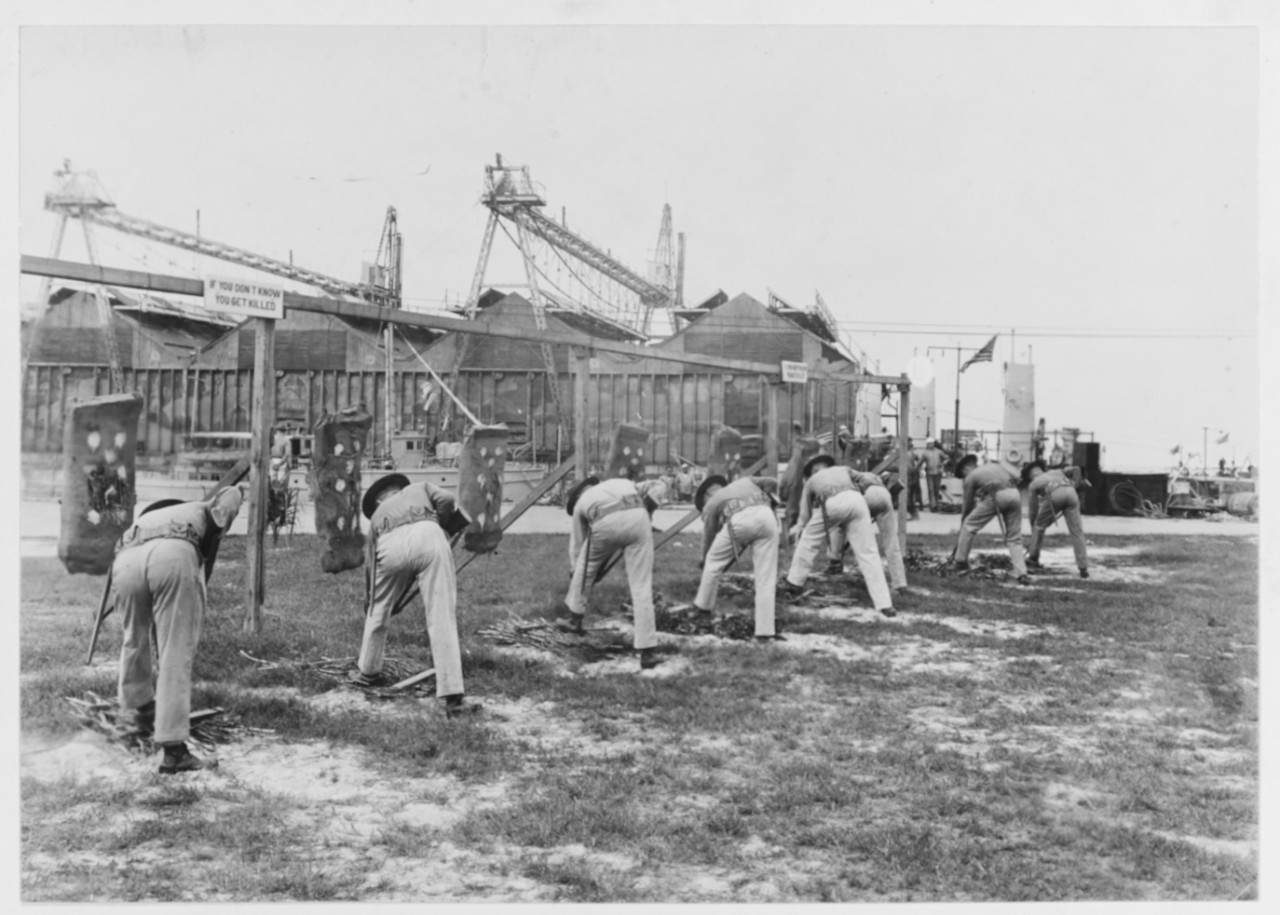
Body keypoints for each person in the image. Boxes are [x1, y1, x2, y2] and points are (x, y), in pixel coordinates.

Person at [113, 485, 245, 774]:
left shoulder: (153, 518)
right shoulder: (204, 508)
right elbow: (233, 493)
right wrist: (223, 516)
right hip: (172, 553)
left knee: (133, 640)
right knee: (175, 650)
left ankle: (138, 716)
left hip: (125, 558)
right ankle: (174, 752)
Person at [352, 473, 477, 718]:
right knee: (441, 615)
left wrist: (378, 598)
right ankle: (453, 698)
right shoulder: (420, 488)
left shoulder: (376, 517)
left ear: (377, 501)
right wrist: (441, 524)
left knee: (377, 613)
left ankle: (367, 672)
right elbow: (448, 499)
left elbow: (370, 566)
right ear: (400, 488)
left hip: (388, 543)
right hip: (428, 533)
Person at [555, 475, 662, 669]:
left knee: (583, 568)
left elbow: (577, 547)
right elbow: (659, 485)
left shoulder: (581, 504)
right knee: (641, 586)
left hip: (604, 523)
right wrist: (650, 507)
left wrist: (575, 570)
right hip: (639, 519)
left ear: (577, 495)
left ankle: (575, 618)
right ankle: (648, 652)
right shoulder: (622, 482)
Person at [781, 454, 896, 618]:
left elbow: (804, 514)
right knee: (868, 553)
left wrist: (799, 529)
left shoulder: (811, 481)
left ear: (813, 470)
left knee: (808, 540)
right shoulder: (843, 469)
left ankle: (794, 582)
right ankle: (885, 605)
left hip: (832, 501)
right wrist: (868, 485)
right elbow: (868, 478)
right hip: (857, 501)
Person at [692, 472, 781, 640]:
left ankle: (703, 608)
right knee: (766, 578)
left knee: (713, 563)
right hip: (768, 517)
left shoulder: (712, 502)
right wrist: (771, 501)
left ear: (707, 494)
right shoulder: (745, 480)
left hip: (740, 518)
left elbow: (709, 534)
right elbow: (772, 481)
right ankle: (765, 631)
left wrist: (705, 559)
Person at [828, 468, 909, 595]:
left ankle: (834, 563)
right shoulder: (878, 479)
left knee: (838, 526)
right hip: (884, 497)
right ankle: (900, 584)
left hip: (866, 494)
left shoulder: (856, 476)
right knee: (891, 542)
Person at [951, 454, 1028, 583]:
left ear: (966, 468)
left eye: (963, 474)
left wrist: (964, 520)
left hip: (997, 495)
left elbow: (968, 505)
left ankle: (960, 562)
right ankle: (1021, 572)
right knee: (1014, 537)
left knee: (969, 526)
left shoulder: (971, 476)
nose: (964, 477)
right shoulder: (993, 465)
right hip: (1015, 494)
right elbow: (1016, 477)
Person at [1022, 460, 1089, 579]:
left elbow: (1033, 508)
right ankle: (1083, 568)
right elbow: (1077, 469)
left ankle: (1033, 559)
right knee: (1077, 531)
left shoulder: (1033, 483)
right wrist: (1075, 485)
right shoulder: (1058, 471)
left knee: (1039, 526)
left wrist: (1034, 524)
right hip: (1072, 494)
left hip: (1055, 495)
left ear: (1031, 475)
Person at [922, 440, 945, 511]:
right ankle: (933, 506)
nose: (929, 445)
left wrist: (942, 464)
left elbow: (947, 458)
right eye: (928, 444)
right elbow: (920, 462)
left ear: (933, 444)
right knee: (931, 489)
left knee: (936, 489)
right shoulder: (925, 453)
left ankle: (936, 504)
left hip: (938, 473)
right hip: (929, 474)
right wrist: (916, 469)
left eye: (931, 443)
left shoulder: (939, 452)